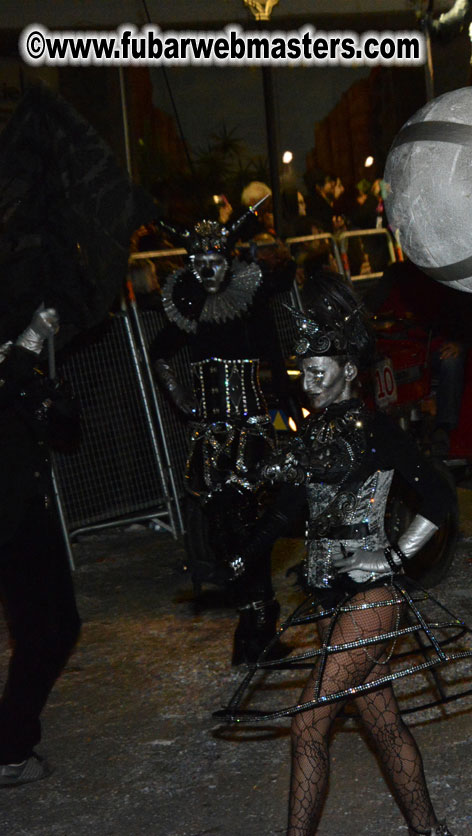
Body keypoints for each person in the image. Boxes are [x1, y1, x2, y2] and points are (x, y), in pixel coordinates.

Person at [231, 273, 459, 834]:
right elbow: (287, 511)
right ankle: (429, 830)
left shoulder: (377, 430)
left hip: (373, 599)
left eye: (321, 363)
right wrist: (240, 558)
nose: (308, 373)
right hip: (333, 602)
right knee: (385, 727)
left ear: (350, 370)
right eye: (302, 363)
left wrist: (395, 559)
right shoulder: (312, 437)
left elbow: (441, 497)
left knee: (309, 721)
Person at [150, 202, 298, 665]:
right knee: (229, 531)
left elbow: (274, 365)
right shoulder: (189, 309)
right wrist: (180, 399)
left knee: (259, 526)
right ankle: (252, 628)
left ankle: (258, 626)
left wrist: (282, 424)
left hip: (253, 433)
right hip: (212, 441)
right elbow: (159, 352)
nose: (209, 269)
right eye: (199, 262)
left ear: (228, 257)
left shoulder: (249, 301)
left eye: (215, 259)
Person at [0, 306, 81, 787]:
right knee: (39, 631)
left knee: (57, 626)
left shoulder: (14, 365)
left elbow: (66, 436)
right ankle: (10, 746)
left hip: (29, 509)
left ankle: (10, 740)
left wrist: (53, 400)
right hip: (9, 517)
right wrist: (24, 352)